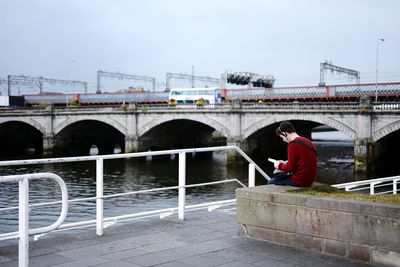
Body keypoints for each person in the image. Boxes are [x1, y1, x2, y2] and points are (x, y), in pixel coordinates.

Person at [267, 121, 317, 187]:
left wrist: (278, 165)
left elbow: (290, 168)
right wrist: (284, 163)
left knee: (271, 182)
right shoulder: (307, 141)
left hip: (300, 181)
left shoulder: (293, 144)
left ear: (284, 133)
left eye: (282, 137)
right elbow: (302, 161)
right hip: (310, 180)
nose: (283, 140)